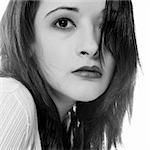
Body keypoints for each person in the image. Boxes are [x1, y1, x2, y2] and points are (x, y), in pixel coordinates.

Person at [0, 0, 139, 149]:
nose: (92, 46)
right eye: (63, 23)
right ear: (26, 38)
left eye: (107, 26)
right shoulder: (11, 98)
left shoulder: (65, 131)